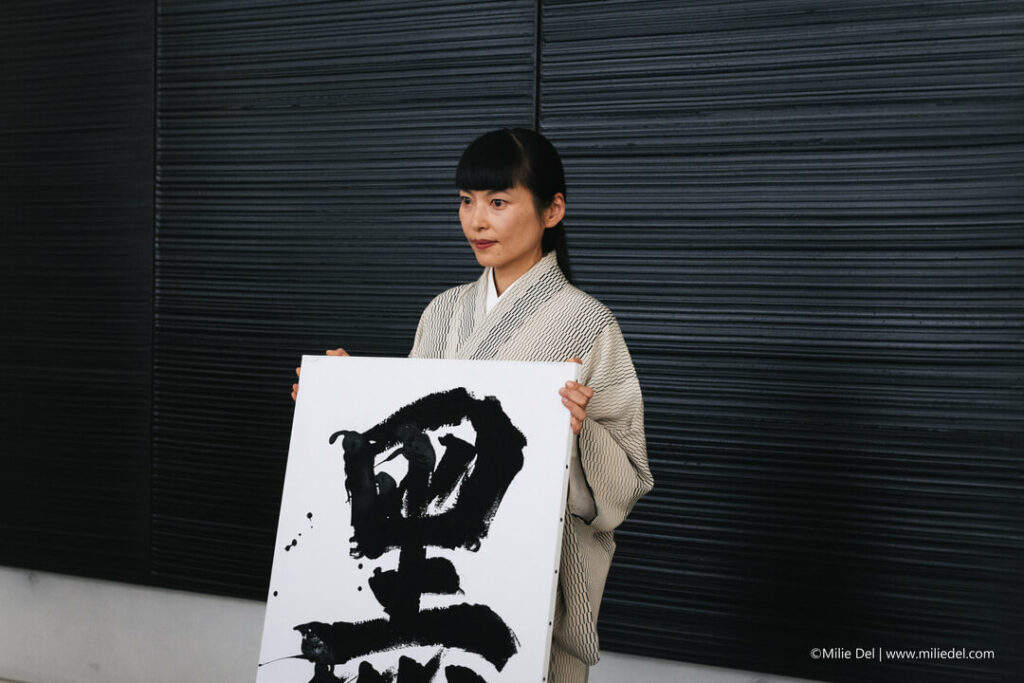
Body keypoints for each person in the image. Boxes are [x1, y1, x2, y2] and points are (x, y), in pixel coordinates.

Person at [292, 128, 653, 682]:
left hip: (521, 591)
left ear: (553, 210)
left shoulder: (587, 324)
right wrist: (337, 396)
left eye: (498, 202)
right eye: (467, 201)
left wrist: (579, 437)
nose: (476, 220)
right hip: (429, 572)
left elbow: (625, 479)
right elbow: (415, 437)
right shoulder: (443, 312)